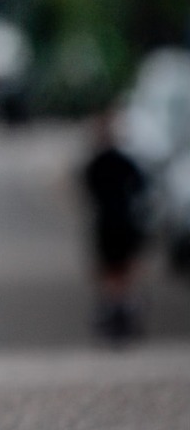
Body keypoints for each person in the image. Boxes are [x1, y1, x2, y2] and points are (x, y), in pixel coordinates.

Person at [79, 109, 149, 344]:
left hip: (105, 223)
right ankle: (125, 308)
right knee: (125, 269)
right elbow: (141, 186)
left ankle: (113, 308)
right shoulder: (124, 161)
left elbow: (85, 192)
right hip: (124, 221)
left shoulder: (94, 164)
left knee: (109, 270)